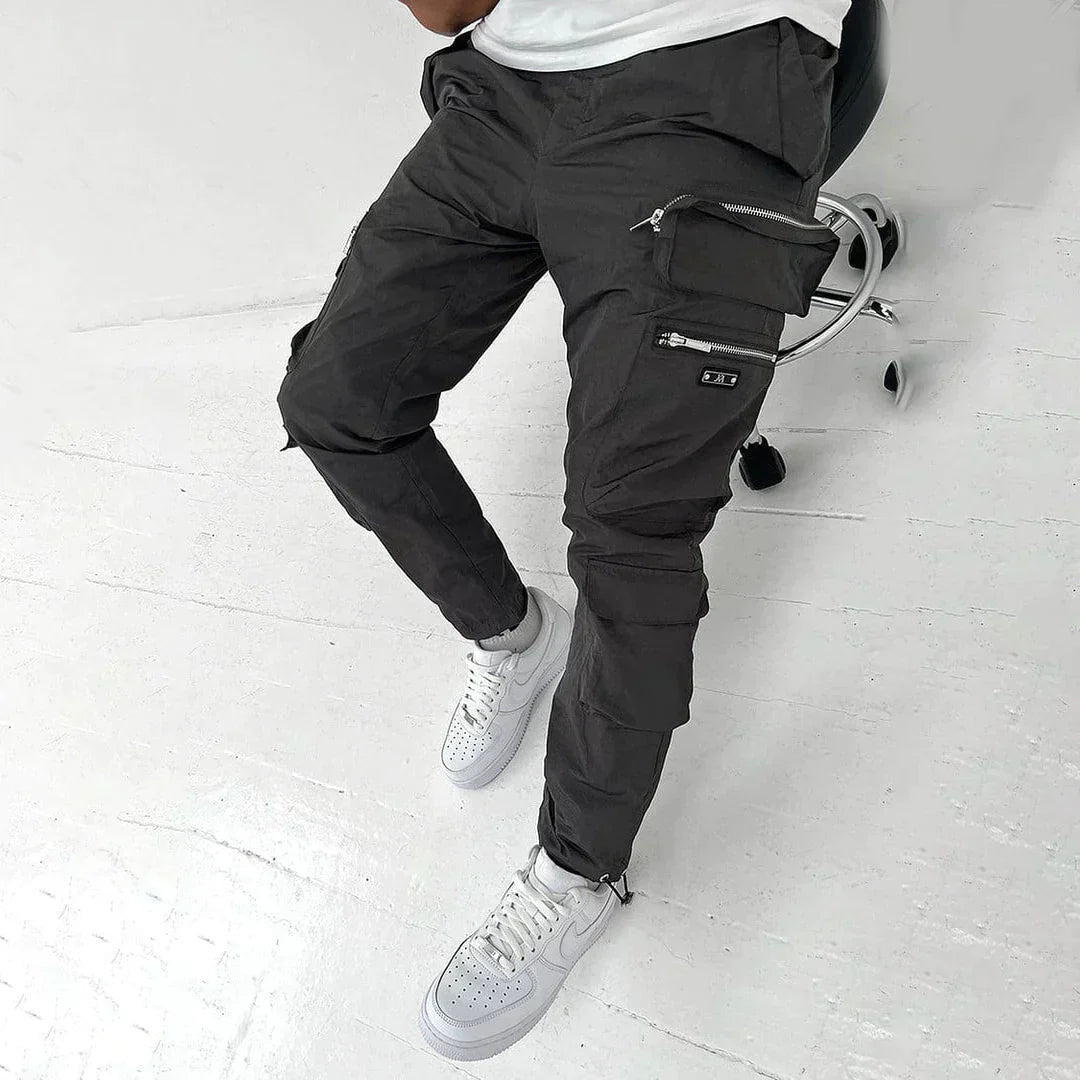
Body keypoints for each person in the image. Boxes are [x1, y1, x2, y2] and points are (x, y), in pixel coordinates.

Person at [277, 0, 848, 1061]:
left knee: (633, 532)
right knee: (337, 400)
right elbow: (445, 12)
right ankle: (515, 633)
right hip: (507, 84)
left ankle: (578, 869)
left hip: (711, 73)